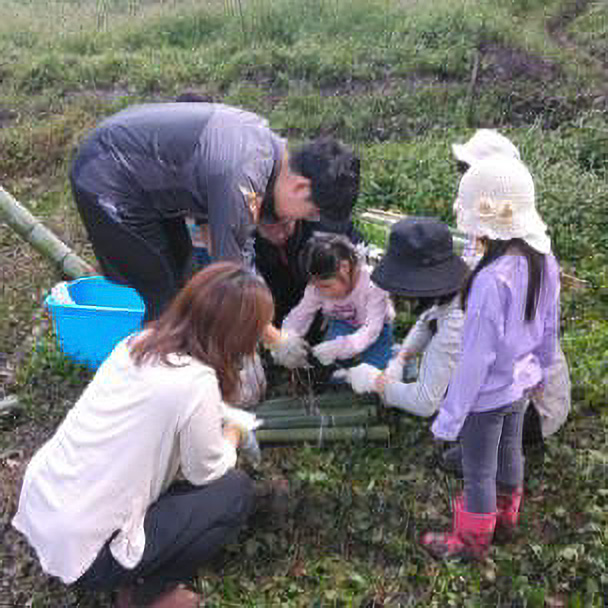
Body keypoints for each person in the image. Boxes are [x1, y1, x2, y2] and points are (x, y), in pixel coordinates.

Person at [12, 263, 276, 607]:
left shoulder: (138, 342)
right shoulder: (196, 383)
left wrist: (219, 412)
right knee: (234, 491)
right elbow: (205, 472)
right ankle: (147, 594)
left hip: (44, 506)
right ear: (236, 335)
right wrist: (234, 434)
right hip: (88, 552)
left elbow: (163, 402)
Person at [69, 101, 361, 333]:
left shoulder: (268, 147)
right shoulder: (244, 179)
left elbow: (209, 183)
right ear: (300, 187)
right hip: (107, 178)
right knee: (157, 298)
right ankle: (155, 372)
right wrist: (275, 340)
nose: (302, 220)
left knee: (182, 276)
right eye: (310, 212)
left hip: (143, 181)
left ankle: (178, 354)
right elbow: (232, 275)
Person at [420, 157, 560, 560]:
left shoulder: (489, 280)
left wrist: (450, 417)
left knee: (479, 469)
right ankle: (506, 518)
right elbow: (549, 326)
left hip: (487, 395)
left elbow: (474, 361)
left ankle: (471, 543)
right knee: (510, 449)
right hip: (521, 382)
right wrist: (541, 370)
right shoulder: (544, 261)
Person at [332, 217, 468, 418]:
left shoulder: (456, 323)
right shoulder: (451, 290)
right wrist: (402, 358)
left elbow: (425, 402)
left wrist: (376, 382)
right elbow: (426, 321)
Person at [281, 233, 394, 370]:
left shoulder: (373, 284)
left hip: (377, 328)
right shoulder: (317, 287)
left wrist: (339, 347)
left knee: (375, 369)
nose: (321, 292)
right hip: (343, 322)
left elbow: (371, 330)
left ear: (344, 268)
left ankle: (397, 356)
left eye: (326, 286)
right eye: (315, 286)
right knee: (335, 367)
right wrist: (287, 338)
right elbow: (301, 313)